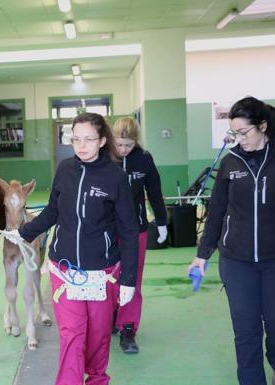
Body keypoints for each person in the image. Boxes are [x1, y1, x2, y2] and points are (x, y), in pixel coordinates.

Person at [6, 112, 139, 385]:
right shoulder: (65, 169)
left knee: (98, 338)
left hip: (103, 274)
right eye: (75, 139)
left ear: (102, 140)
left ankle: (97, 380)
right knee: (71, 336)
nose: (81, 145)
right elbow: (53, 211)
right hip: (64, 271)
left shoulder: (115, 177)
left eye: (89, 139)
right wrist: (22, 232)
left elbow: (129, 231)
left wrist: (128, 281)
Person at [187, 96, 275, 385]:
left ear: (263, 126)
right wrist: (203, 253)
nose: (240, 139)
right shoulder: (230, 162)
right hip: (236, 261)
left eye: (244, 132)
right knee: (246, 332)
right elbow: (217, 211)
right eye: (235, 134)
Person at [110, 117, 168, 354]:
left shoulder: (144, 159)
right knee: (109, 278)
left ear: (136, 142)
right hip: (107, 230)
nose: (123, 149)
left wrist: (162, 221)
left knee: (132, 280)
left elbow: (154, 191)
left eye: (128, 145)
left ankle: (127, 329)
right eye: (119, 144)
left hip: (136, 230)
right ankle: (110, 316)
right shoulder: (104, 158)